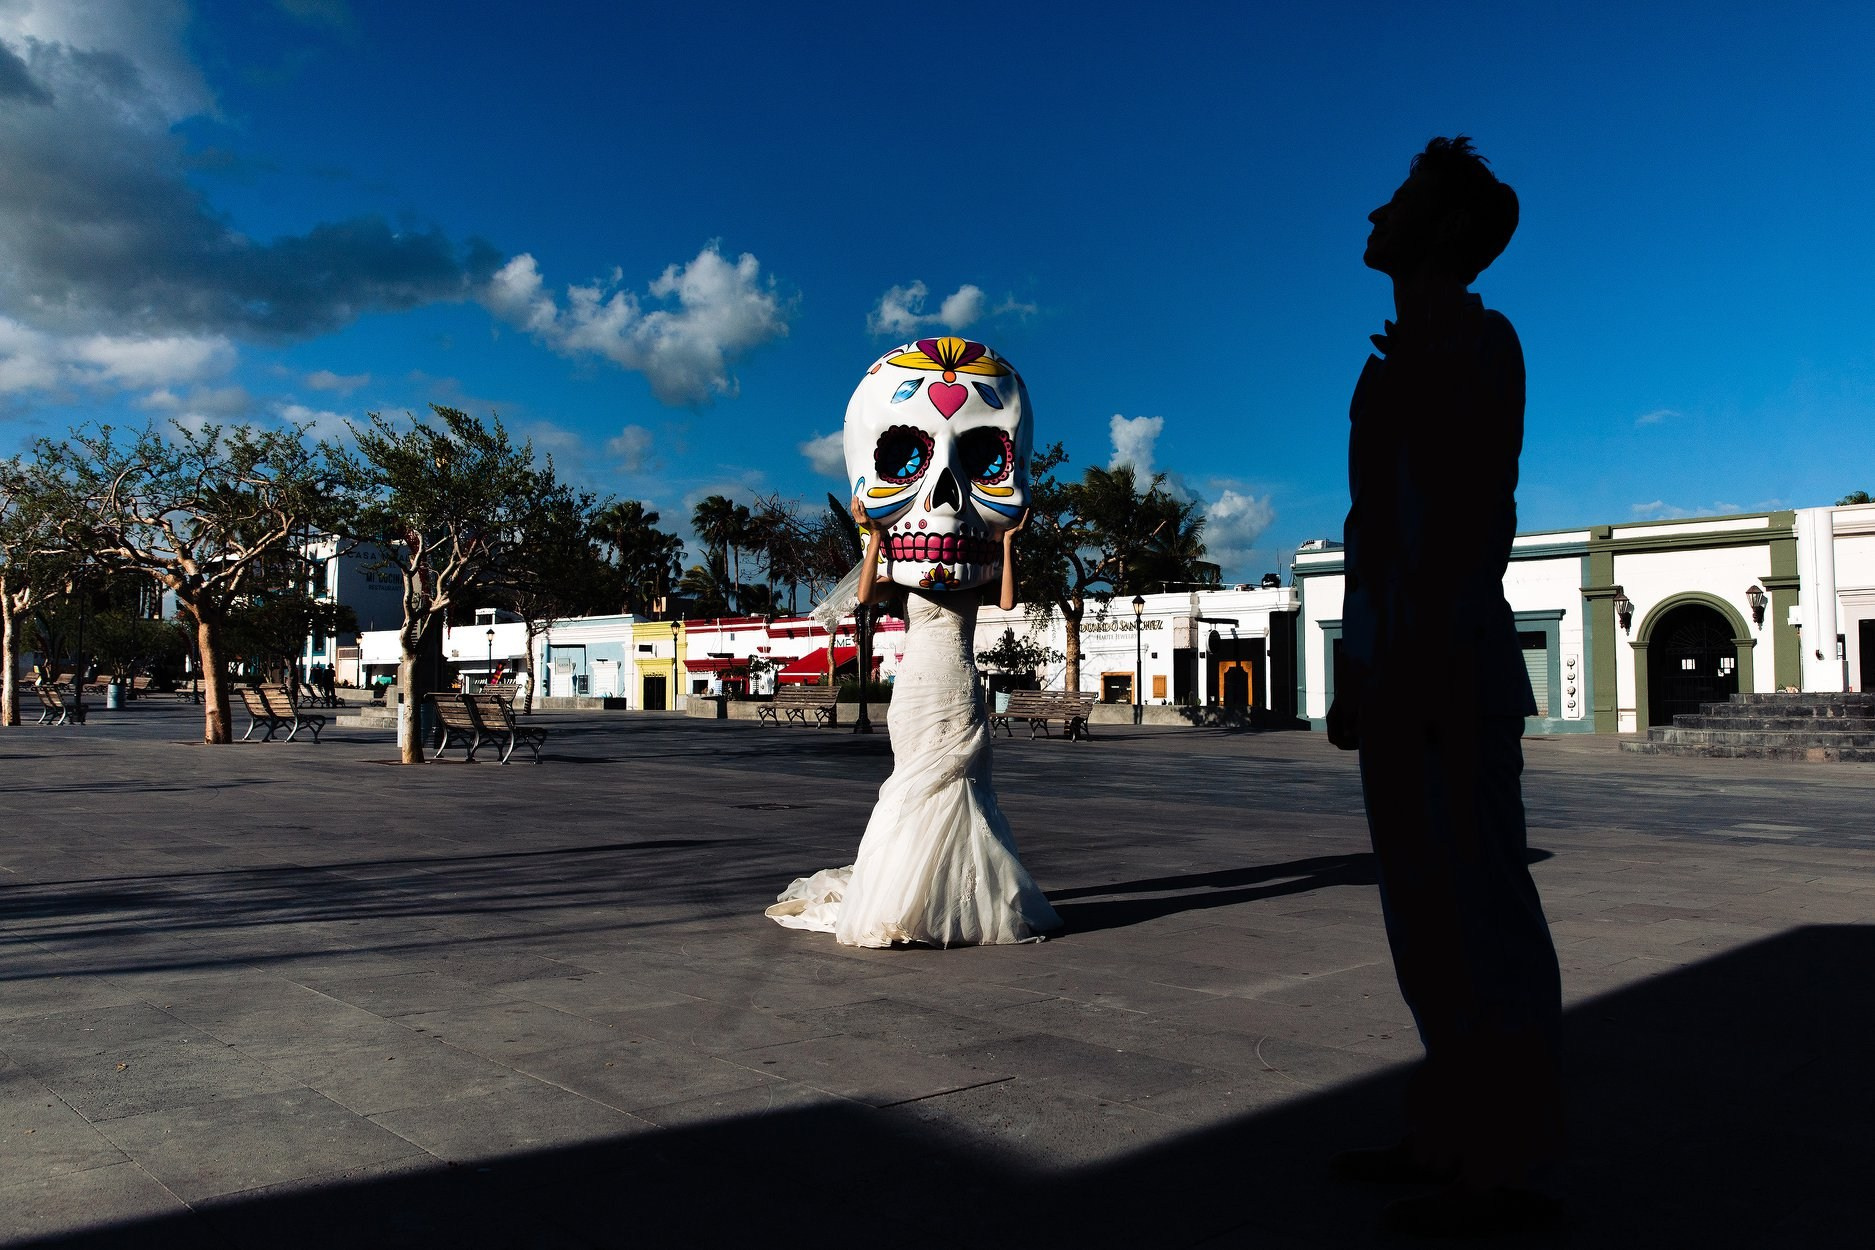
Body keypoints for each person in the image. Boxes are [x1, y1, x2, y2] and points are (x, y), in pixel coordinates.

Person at [1326, 136, 1564, 1237]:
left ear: (1432, 232)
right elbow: (1372, 538)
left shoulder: (1479, 345)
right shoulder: (1394, 359)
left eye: (1398, 200)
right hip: (1396, 668)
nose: (1372, 211)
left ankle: (1503, 1161)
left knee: (1484, 908)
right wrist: (1357, 667)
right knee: (1421, 914)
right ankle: (1447, 1130)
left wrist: (1407, 649)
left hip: (1454, 667)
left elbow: (1462, 521)